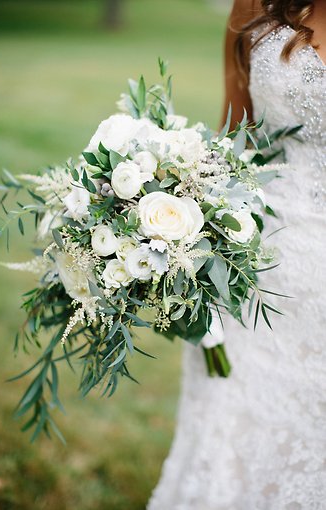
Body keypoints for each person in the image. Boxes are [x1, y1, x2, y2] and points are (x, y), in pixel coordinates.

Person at [147, 0, 326, 508]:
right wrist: (173, 223)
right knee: (237, 418)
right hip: (260, 267)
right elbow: (233, 136)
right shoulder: (254, 6)